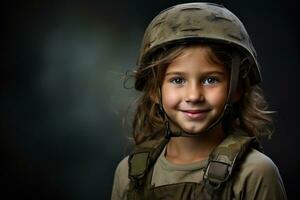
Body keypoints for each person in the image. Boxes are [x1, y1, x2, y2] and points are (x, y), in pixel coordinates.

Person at [111, 2, 287, 200]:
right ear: (154, 90)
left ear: (236, 89)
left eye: (210, 80)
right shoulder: (128, 175)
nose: (194, 96)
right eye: (178, 80)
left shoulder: (255, 173)